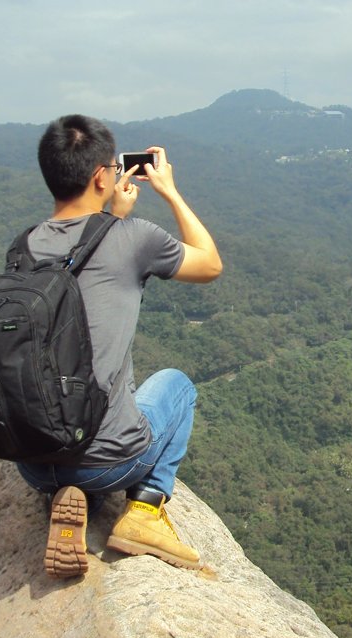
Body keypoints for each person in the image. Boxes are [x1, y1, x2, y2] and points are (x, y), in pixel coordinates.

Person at [16, 114, 222, 579]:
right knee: (178, 385)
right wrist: (169, 190)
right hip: (111, 464)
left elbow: (83, 265)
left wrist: (112, 217)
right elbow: (209, 264)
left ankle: (66, 498)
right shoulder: (134, 239)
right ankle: (144, 513)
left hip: (31, 464)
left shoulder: (24, 247)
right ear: (101, 176)